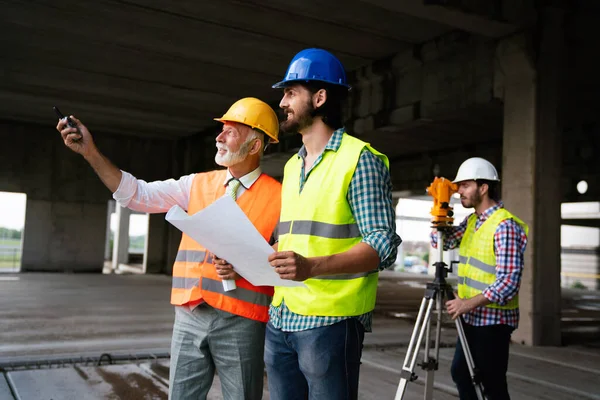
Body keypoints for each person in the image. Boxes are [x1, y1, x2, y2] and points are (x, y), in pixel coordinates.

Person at [56, 97, 282, 400]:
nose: (218, 136)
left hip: (242, 320)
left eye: (230, 131)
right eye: (221, 129)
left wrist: (244, 264)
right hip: (190, 313)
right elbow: (136, 194)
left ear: (254, 146)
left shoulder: (281, 197)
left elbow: (289, 259)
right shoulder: (197, 185)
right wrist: (90, 152)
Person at [264, 48, 402, 400]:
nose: (282, 102)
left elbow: (382, 244)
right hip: (281, 317)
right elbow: (297, 238)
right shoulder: (292, 166)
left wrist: (311, 267)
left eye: (291, 92)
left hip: (330, 323)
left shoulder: (360, 159)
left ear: (320, 97)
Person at [431, 157, 528, 399]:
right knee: (462, 374)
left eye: (465, 185)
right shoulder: (473, 221)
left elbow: (509, 283)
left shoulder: (504, 225)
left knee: (492, 384)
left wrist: (466, 303)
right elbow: (443, 241)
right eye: (458, 186)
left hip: (492, 321)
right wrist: (439, 210)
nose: (459, 191)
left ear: (483, 188)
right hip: (472, 319)